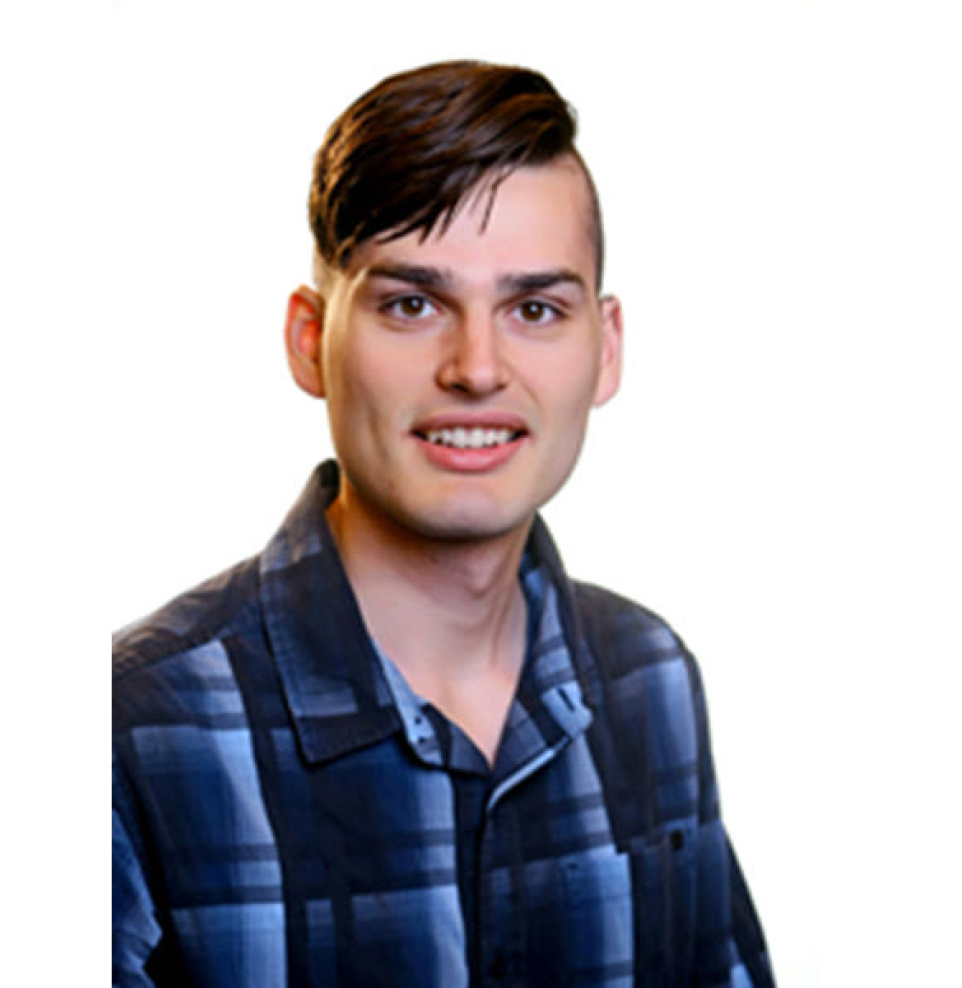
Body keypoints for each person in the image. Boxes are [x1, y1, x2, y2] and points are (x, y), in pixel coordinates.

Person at [113, 60, 773, 987]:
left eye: (535, 308)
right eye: (412, 304)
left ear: (606, 347)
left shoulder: (648, 676)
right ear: (312, 340)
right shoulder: (132, 727)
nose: (476, 367)